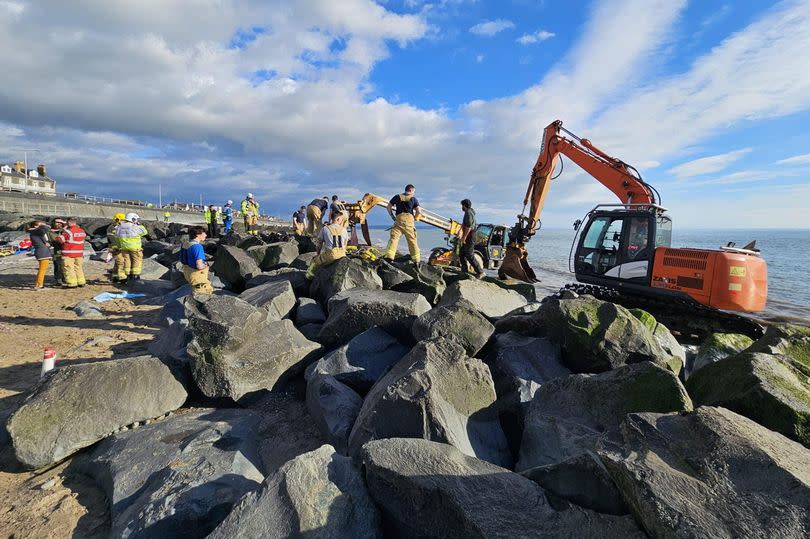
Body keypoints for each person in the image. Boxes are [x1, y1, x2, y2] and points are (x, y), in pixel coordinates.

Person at [383, 184, 422, 263]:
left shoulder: (397, 197)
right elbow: (419, 211)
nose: (413, 193)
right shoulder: (413, 199)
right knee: (412, 241)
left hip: (398, 221)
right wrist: (415, 218)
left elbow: (388, 207)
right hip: (409, 223)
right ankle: (416, 260)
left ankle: (389, 257)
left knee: (394, 239)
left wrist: (392, 216)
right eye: (413, 191)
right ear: (411, 190)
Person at [305, 212, 348, 279]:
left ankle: (310, 278)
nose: (341, 221)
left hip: (331, 255)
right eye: (341, 219)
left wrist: (318, 254)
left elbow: (319, 244)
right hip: (342, 254)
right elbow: (345, 245)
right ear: (338, 219)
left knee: (314, 261)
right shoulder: (344, 230)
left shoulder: (325, 229)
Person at [180, 226, 214, 294]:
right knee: (204, 292)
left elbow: (182, 260)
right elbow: (199, 266)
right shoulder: (197, 247)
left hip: (188, 272)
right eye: (204, 233)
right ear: (198, 234)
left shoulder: (186, 244)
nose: (206, 235)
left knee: (195, 291)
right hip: (197, 276)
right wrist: (206, 265)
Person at [115, 213, 148, 283]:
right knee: (137, 260)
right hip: (135, 247)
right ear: (133, 219)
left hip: (124, 247)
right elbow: (144, 232)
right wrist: (139, 225)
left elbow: (117, 237)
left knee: (127, 260)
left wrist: (119, 246)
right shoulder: (134, 226)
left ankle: (128, 274)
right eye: (136, 219)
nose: (136, 220)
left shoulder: (119, 227)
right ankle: (135, 275)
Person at [56, 217, 87, 288]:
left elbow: (60, 240)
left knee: (69, 269)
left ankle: (72, 283)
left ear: (68, 223)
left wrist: (61, 232)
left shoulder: (68, 232)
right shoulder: (82, 231)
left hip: (68, 253)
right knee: (78, 268)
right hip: (79, 253)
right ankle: (81, 282)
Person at [458, 199, 485, 279]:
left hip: (471, 235)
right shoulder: (468, 212)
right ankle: (464, 271)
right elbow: (464, 223)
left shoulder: (468, 212)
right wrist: (460, 230)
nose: (461, 207)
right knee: (462, 253)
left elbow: (469, 226)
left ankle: (481, 272)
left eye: (462, 205)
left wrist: (464, 237)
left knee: (469, 255)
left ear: (464, 205)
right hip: (469, 234)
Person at [28, 221, 52, 290]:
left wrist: (46, 243)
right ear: (35, 226)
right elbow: (47, 228)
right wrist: (43, 225)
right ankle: (39, 285)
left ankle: (38, 284)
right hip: (43, 253)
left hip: (41, 251)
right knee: (42, 270)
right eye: (39, 224)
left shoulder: (34, 232)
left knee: (42, 269)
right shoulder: (36, 231)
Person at [107, 213, 125, 282]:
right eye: (122, 220)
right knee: (120, 262)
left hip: (120, 247)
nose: (123, 222)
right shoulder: (111, 228)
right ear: (117, 219)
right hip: (115, 248)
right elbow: (111, 238)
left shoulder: (121, 227)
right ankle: (122, 278)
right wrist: (117, 247)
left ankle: (114, 277)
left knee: (117, 263)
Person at [49, 218, 66, 286]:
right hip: (57, 252)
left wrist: (63, 222)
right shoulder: (50, 232)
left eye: (60, 222)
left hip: (67, 252)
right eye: (57, 222)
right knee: (58, 266)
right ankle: (58, 280)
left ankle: (65, 278)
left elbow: (75, 226)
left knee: (66, 266)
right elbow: (55, 240)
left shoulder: (65, 230)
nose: (59, 224)